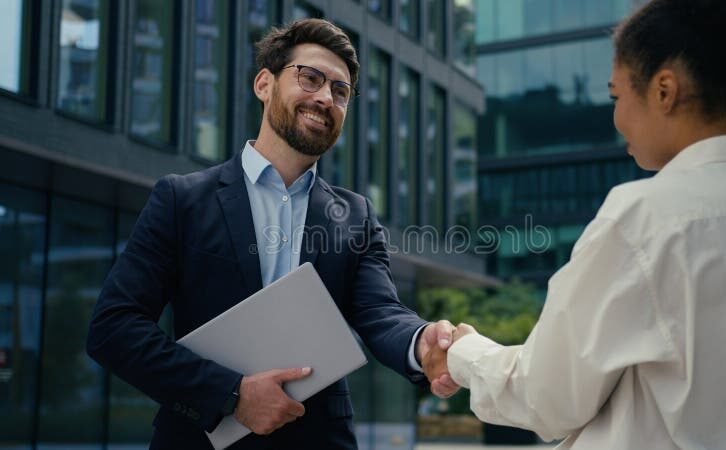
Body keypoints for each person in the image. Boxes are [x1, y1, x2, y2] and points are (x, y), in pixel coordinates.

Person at [422, 0, 726, 448]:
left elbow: (548, 395)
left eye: (616, 96)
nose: (616, 116)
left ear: (664, 90)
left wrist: (464, 351)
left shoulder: (644, 219)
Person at [87, 18, 458, 450]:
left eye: (340, 92)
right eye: (311, 77)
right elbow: (114, 328)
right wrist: (232, 394)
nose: (325, 97)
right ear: (264, 84)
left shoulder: (355, 215)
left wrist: (421, 342)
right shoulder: (182, 199)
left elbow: (380, 313)